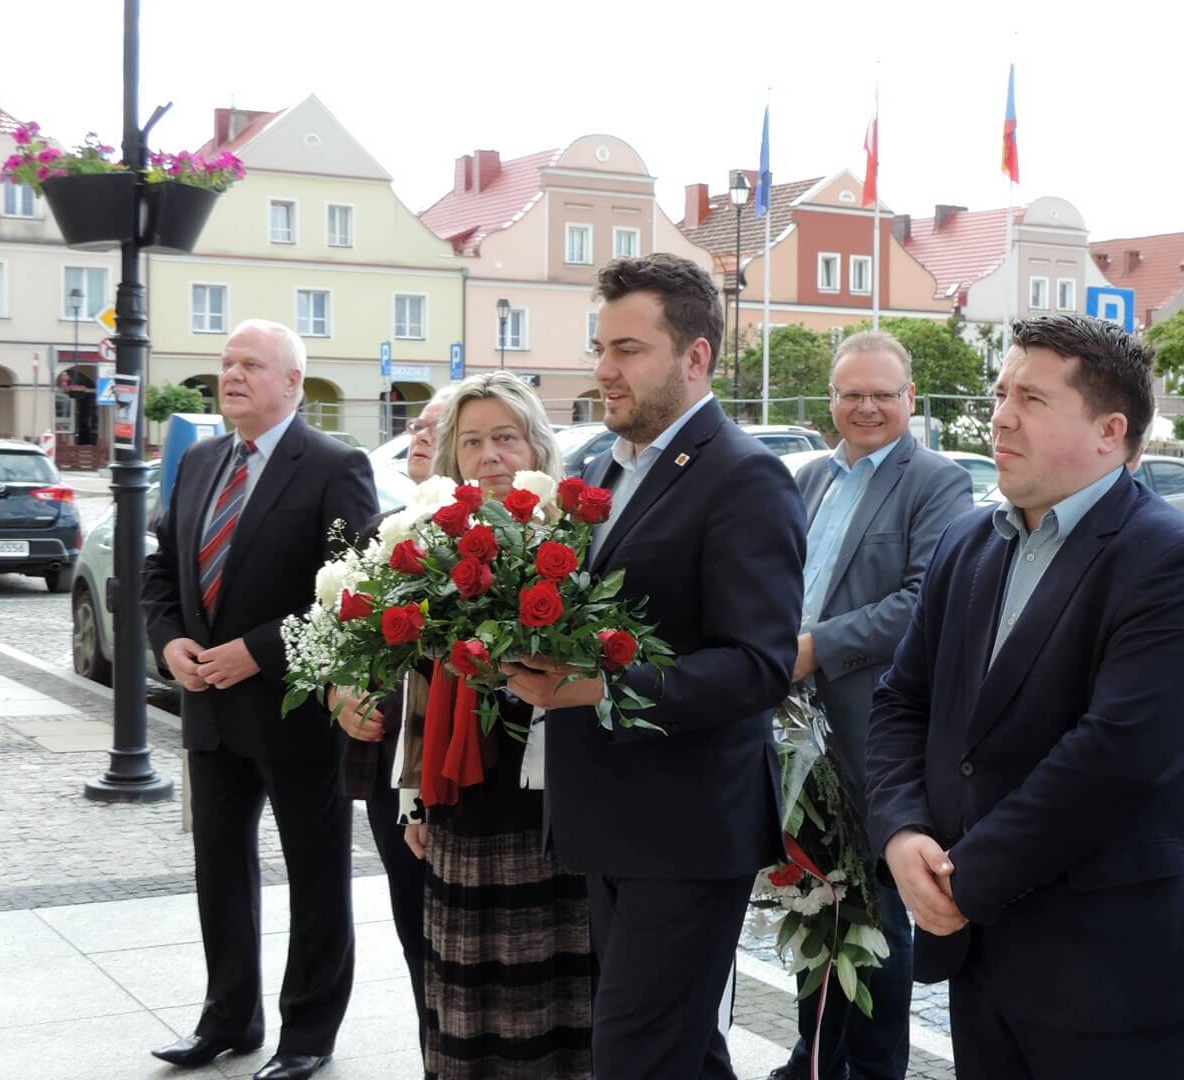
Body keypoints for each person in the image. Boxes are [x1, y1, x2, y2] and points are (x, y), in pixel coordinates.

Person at [866, 314, 1184, 1078]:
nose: (1000, 415)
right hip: (984, 957)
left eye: (1033, 400)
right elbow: (902, 700)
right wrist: (902, 832)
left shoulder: (1176, 562)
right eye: (1002, 391)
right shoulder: (968, 543)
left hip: (1117, 968)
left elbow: (1117, 755)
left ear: (1111, 431)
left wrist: (962, 881)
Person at [499, 254, 805, 1079]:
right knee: (684, 1053)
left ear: (695, 357)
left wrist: (598, 689)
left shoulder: (745, 477)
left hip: (688, 828)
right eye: (601, 347)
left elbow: (758, 667)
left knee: (634, 1055)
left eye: (627, 349)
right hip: (610, 816)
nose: (603, 369)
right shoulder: (601, 466)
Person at [141, 320, 378, 1080]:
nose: (232, 374)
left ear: (293, 384)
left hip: (295, 712)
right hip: (209, 708)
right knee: (220, 873)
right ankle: (228, 1020)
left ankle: (308, 1033)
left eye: (251, 364)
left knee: (315, 878)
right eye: (226, 362)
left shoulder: (336, 466)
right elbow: (162, 569)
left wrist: (258, 652)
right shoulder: (201, 460)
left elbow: (353, 593)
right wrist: (169, 641)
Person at [773, 333, 973, 1080]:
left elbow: (924, 601)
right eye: (851, 393)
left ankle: (875, 1067)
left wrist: (815, 648)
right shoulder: (808, 479)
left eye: (883, 394)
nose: (865, 407)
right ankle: (814, 1054)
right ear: (830, 399)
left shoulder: (938, 482)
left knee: (877, 912)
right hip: (794, 728)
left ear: (910, 400)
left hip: (872, 728)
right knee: (810, 895)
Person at [390, 371, 594, 1078]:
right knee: (465, 1006)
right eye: (472, 441)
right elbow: (418, 680)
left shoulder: (579, 538)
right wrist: (414, 792)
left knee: (554, 1004)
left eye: (505, 437)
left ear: (537, 446)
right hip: (462, 799)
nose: (490, 455)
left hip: (553, 806)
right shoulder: (432, 544)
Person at [326, 386, 456, 1065]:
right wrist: (342, 697)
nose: (423, 434)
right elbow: (335, 654)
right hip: (387, 773)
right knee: (415, 934)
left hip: (460, 776)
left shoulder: (491, 537)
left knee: (466, 945)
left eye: (443, 424)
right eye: (420, 425)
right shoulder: (381, 531)